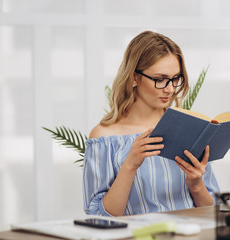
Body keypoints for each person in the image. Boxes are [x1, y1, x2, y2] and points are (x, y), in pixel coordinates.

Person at [83, 30, 220, 216]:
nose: (170, 89)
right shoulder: (104, 138)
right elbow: (99, 217)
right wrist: (130, 164)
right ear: (134, 77)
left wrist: (196, 185)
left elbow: (213, 211)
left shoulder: (189, 129)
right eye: (160, 79)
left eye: (175, 79)